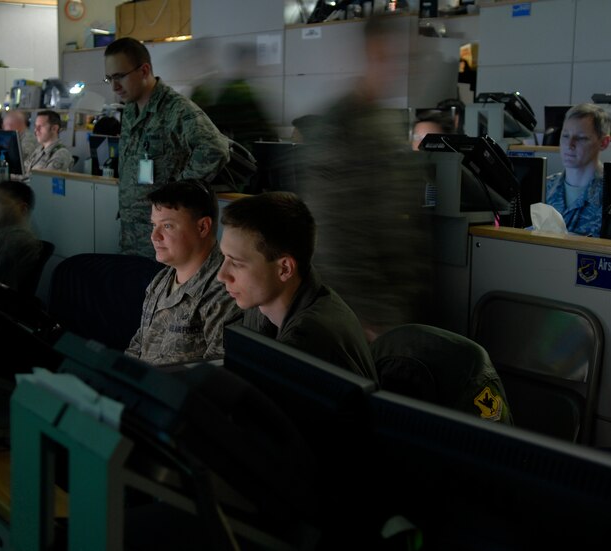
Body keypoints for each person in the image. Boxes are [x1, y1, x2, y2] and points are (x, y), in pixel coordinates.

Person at [295, 16, 434, 341]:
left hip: (394, 305)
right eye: (395, 57)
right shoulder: (340, 125)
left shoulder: (383, 121)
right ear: (373, 53)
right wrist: (369, 313)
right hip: (360, 313)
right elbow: (332, 229)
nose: (404, 68)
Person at [217, 192, 377, 382]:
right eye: (224, 257)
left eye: (236, 263)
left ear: (284, 268)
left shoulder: (309, 343)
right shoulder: (261, 308)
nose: (221, 275)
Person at [104, 37, 230, 258]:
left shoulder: (176, 109)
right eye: (109, 78)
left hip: (164, 237)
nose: (114, 86)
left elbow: (215, 149)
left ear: (144, 70)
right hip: (132, 231)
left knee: (162, 292)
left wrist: (177, 194)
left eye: (119, 77)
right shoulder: (131, 110)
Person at [126, 180, 242, 366]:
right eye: (153, 225)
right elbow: (138, 346)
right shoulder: (161, 281)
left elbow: (218, 378)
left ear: (203, 227)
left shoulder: (226, 293)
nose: (154, 236)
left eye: (167, 226)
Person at [544, 103, 611, 237]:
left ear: (603, 143)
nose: (569, 145)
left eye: (581, 138)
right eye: (565, 136)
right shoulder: (544, 187)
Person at [20, 110, 73, 176]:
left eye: (40, 127)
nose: (35, 130)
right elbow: (23, 170)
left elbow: (42, 181)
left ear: (54, 128)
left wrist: (13, 177)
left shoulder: (61, 154)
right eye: (36, 126)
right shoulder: (39, 150)